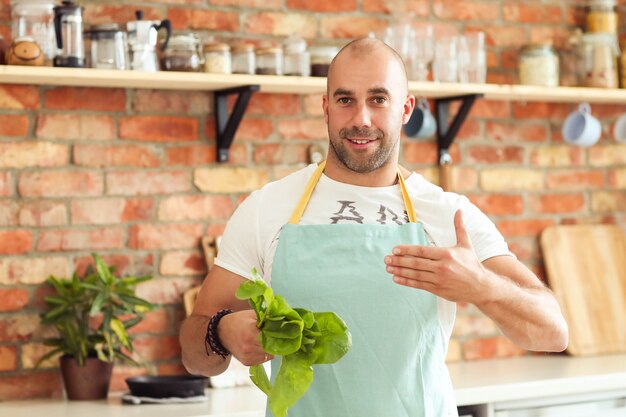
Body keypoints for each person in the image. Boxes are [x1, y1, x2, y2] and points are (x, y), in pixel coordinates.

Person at [180, 38, 568, 417]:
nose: (360, 119)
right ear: (326, 107)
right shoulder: (266, 209)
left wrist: (483, 286)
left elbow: (552, 332)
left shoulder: (447, 214)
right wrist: (222, 332)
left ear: (405, 109)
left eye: (378, 99)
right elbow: (193, 353)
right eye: (345, 99)